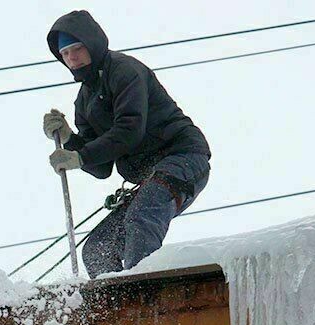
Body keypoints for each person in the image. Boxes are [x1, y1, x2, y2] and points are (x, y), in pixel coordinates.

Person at [44, 10, 211, 277]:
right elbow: (101, 168)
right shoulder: (83, 103)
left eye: (76, 49)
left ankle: (142, 293)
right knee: (97, 248)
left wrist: (80, 156)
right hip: (150, 177)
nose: (72, 58)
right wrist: (70, 139)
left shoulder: (124, 71)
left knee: (142, 216)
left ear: (93, 44)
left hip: (182, 158)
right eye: (65, 54)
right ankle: (117, 312)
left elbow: (130, 129)